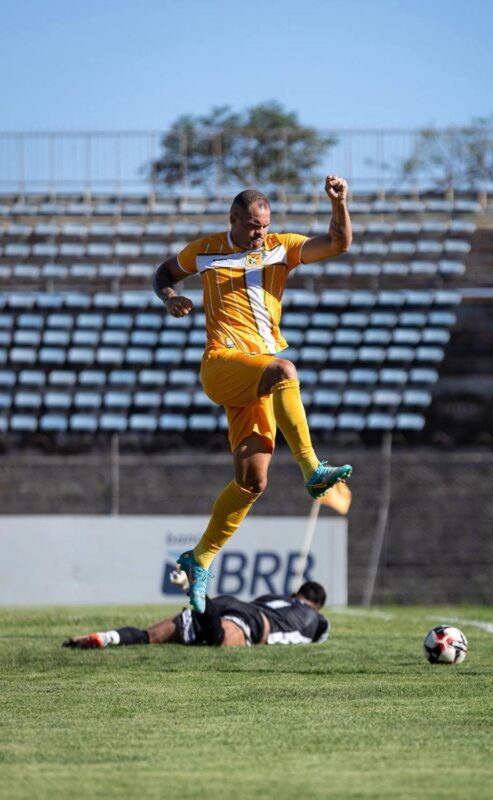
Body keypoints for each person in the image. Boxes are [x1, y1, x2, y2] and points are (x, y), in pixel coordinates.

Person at [151, 176, 354, 614]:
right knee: (285, 368)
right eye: (253, 226)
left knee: (252, 481)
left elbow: (338, 243)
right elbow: (164, 272)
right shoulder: (205, 250)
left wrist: (339, 203)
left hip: (256, 377)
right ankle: (312, 468)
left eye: (265, 226)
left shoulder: (280, 248)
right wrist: (170, 296)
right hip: (222, 365)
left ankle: (199, 557)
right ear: (234, 220)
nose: (260, 233)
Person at [62, 580, 329, 649]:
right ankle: (198, 595)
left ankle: (108, 637)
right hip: (255, 623)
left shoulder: (276, 597)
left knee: (150, 636)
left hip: (235, 604)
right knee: (219, 639)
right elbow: (322, 632)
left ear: (296, 594)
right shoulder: (315, 618)